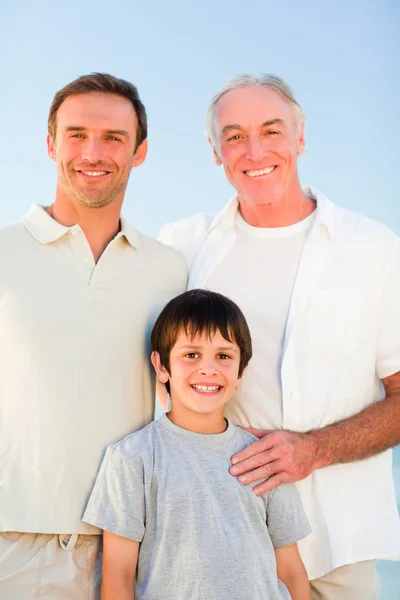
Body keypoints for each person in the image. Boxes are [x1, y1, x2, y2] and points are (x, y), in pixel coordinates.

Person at [158, 74, 400, 599]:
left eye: (272, 131)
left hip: (339, 547)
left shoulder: (376, 249)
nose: (255, 151)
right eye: (235, 136)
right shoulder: (180, 247)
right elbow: (154, 374)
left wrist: (315, 450)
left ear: (301, 137)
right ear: (215, 151)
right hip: (218, 541)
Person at [0, 73, 187, 599]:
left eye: (113, 138)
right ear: (50, 143)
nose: (93, 152)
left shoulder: (171, 269)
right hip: (17, 541)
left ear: (140, 151)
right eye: (77, 134)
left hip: (133, 548)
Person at [83, 289, 312, 600]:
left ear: (241, 370)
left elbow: (290, 571)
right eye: (191, 355)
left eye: (224, 356)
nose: (208, 369)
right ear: (162, 366)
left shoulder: (264, 457)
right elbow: (118, 575)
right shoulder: (132, 459)